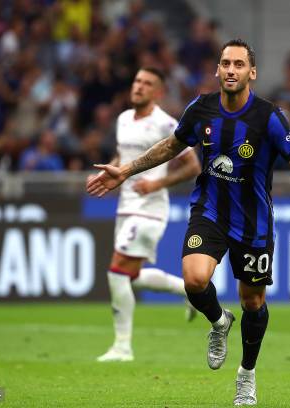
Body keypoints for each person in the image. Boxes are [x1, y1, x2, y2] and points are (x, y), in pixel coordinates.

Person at [87, 39, 290, 405]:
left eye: (239, 64)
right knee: (195, 280)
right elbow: (170, 146)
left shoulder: (270, 117)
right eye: (225, 63)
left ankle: (246, 374)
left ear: (251, 73)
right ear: (217, 69)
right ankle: (218, 321)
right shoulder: (202, 108)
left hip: (254, 222)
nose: (231, 70)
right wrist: (127, 170)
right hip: (209, 211)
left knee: (253, 301)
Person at [90, 67, 202, 362]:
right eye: (137, 80)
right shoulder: (123, 119)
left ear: (158, 92)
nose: (139, 86)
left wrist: (157, 182)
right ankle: (189, 291)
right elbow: (123, 158)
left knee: (116, 272)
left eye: (147, 83)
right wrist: (109, 171)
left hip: (150, 209)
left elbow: (193, 167)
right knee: (133, 276)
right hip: (125, 207)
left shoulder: (166, 124)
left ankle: (122, 347)